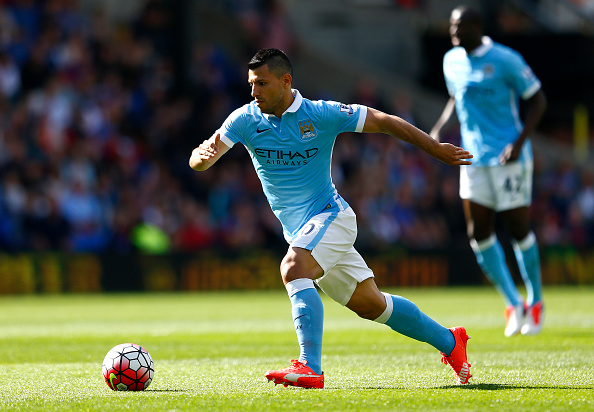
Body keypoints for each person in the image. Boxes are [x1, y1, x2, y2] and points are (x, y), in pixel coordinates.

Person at [190, 48, 473, 388]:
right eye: (251, 84)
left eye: (262, 84)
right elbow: (202, 155)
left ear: (286, 81)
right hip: (302, 232)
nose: (254, 93)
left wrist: (434, 147)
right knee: (373, 306)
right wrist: (202, 159)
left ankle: (310, 367)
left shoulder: (321, 114)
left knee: (292, 268)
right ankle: (451, 342)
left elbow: (384, 121)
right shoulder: (245, 119)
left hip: (332, 217)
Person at [430, 6, 548, 337]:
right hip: (473, 159)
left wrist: (520, 143)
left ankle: (536, 301)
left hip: (508, 159)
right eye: (451, 25)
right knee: (478, 233)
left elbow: (538, 101)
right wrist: (438, 129)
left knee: (518, 229)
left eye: (460, 26)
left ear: (478, 27)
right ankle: (513, 303)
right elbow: (457, 98)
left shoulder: (506, 59)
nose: (454, 31)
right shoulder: (451, 60)